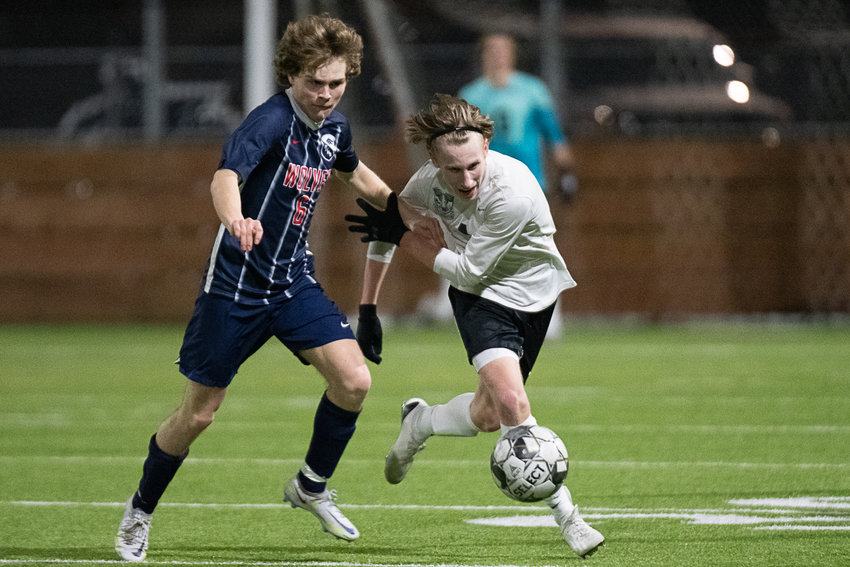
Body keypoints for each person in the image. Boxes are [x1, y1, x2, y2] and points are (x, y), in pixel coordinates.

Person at [114, 14, 395, 562]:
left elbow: (357, 175)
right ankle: (140, 510)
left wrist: (412, 211)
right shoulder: (268, 122)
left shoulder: (335, 128)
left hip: (292, 284)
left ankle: (310, 487)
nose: (326, 94)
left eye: (336, 83)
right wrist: (236, 220)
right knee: (198, 414)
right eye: (315, 82)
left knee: (354, 381)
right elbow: (225, 178)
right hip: (235, 289)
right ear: (291, 75)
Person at [346, 94, 605, 559]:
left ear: (486, 145)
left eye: (472, 166)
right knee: (511, 400)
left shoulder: (514, 192)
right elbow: (388, 228)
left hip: (532, 296)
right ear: (433, 161)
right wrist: (368, 308)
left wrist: (403, 235)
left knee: (489, 416)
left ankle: (420, 421)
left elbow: (457, 263)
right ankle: (569, 517)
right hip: (481, 300)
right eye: (453, 170)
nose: (465, 180)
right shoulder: (426, 182)